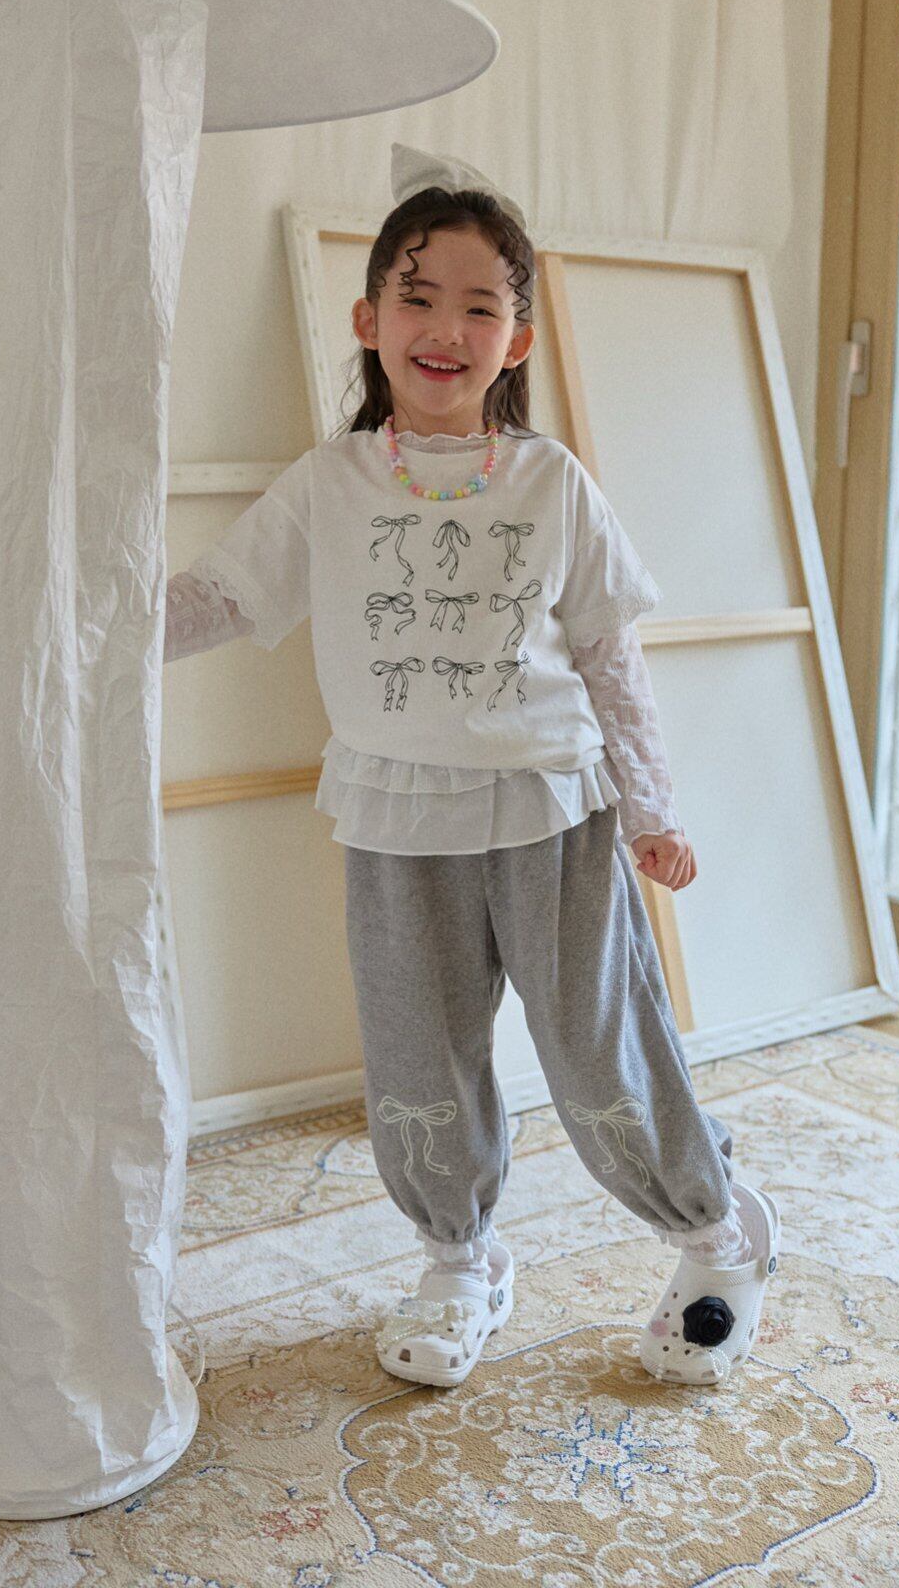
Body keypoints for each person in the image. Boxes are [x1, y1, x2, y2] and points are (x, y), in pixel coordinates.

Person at [163, 141, 781, 1390]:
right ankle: (459, 1260)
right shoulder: (328, 484)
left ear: (517, 340)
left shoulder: (550, 483)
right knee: (418, 1057)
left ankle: (715, 1232)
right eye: (417, 296)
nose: (445, 328)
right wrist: (82, 626)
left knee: (595, 1048)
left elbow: (607, 656)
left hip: (551, 810)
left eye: (479, 306)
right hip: (394, 819)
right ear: (367, 320)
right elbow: (221, 599)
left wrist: (652, 809)